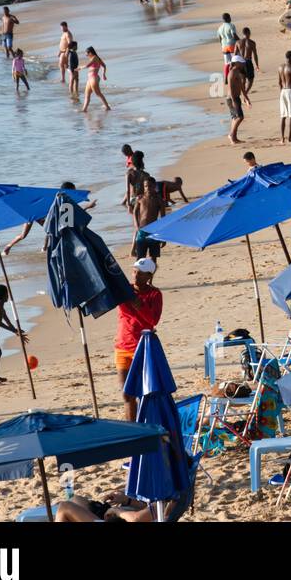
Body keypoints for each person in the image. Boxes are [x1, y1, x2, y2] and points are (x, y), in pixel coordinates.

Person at [116, 258, 163, 421]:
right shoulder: (124, 290)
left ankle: (145, 424)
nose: (136, 276)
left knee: (144, 392)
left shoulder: (154, 294)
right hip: (122, 347)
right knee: (126, 394)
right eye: (135, 272)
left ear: (149, 276)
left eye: (141, 273)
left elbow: (153, 320)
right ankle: (133, 429)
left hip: (142, 348)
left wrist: (140, 306)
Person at [0, 284, 26, 385]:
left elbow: (8, 322)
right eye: (7, 294)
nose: (8, 296)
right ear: (5, 295)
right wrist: (13, 331)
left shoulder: (2, 307)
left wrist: (16, 331)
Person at [132, 176, 167, 262]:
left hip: (154, 231)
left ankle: (150, 275)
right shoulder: (140, 198)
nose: (148, 188)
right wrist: (136, 225)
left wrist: (163, 236)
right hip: (142, 230)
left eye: (150, 186)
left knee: (153, 258)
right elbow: (134, 212)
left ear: (155, 186)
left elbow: (163, 219)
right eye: (146, 186)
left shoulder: (159, 200)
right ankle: (139, 274)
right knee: (140, 258)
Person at [226, 58, 249, 144]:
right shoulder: (232, 73)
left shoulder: (237, 72)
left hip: (236, 97)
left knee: (235, 117)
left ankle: (234, 137)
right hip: (232, 98)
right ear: (237, 63)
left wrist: (246, 98)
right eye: (242, 63)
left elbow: (241, 87)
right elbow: (230, 88)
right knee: (240, 117)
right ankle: (232, 135)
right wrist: (233, 100)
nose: (243, 65)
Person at [81, 46, 110, 112]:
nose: (86, 55)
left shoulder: (95, 58)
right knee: (87, 94)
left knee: (98, 94)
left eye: (87, 53)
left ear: (90, 53)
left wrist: (79, 68)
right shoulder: (94, 58)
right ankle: (84, 109)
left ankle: (107, 107)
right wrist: (103, 74)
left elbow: (87, 65)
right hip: (90, 78)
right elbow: (104, 66)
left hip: (94, 78)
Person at [216, 12, 238, 80]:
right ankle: (234, 77)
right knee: (234, 62)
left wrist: (222, 45)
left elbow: (219, 38)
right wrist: (240, 40)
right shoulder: (231, 25)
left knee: (227, 63)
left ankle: (226, 78)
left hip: (224, 47)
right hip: (231, 45)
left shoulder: (220, 28)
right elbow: (234, 35)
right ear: (228, 18)